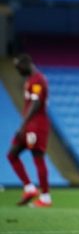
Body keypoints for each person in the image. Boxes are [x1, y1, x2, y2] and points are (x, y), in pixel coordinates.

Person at [6, 54, 53, 207]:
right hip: (29, 125)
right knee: (12, 154)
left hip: (36, 125)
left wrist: (23, 124)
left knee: (37, 157)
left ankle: (45, 197)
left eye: (18, 68)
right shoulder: (31, 80)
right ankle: (30, 188)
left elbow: (36, 102)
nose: (18, 71)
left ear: (26, 65)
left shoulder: (38, 80)